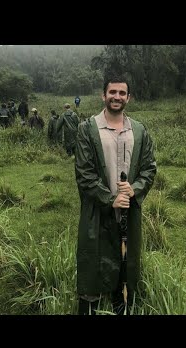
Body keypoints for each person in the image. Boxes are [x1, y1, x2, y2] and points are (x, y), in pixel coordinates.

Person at [74, 75, 157, 315]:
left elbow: (149, 168)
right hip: (98, 214)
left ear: (128, 98)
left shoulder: (139, 131)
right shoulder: (87, 129)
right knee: (93, 263)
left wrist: (136, 189)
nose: (117, 97)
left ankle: (122, 308)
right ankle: (90, 308)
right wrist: (110, 200)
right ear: (103, 95)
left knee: (125, 265)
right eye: (113, 92)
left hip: (129, 213)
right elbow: (84, 174)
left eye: (122, 93)